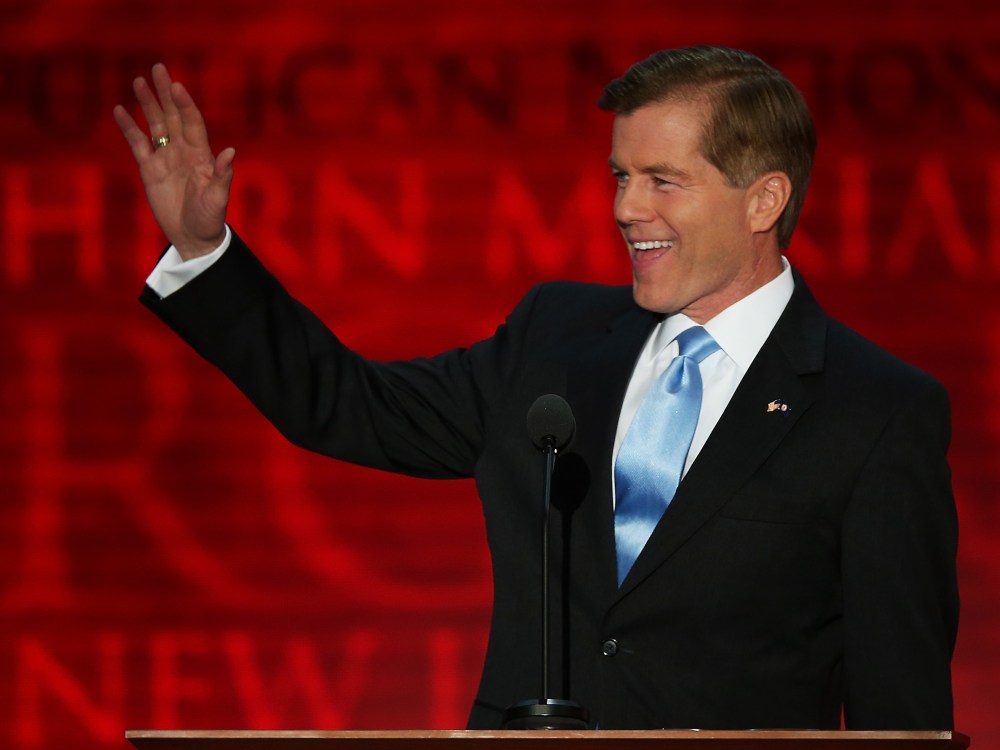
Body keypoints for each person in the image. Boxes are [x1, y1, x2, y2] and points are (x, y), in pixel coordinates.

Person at [114, 45, 959, 730]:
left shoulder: (877, 410)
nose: (627, 209)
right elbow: (345, 405)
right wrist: (207, 252)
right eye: (620, 177)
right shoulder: (556, 339)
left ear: (763, 199)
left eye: (662, 180)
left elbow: (901, 713)